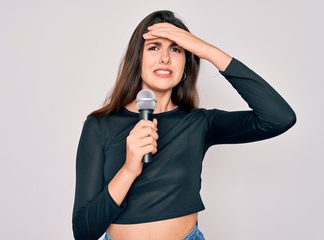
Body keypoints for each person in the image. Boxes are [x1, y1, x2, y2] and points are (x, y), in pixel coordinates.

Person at [71, 10, 296, 240]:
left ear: (187, 64)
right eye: (154, 47)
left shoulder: (200, 123)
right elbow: (83, 232)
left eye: (176, 48)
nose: (165, 58)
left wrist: (207, 51)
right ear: (137, 59)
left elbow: (279, 118)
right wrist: (129, 169)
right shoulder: (99, 126)